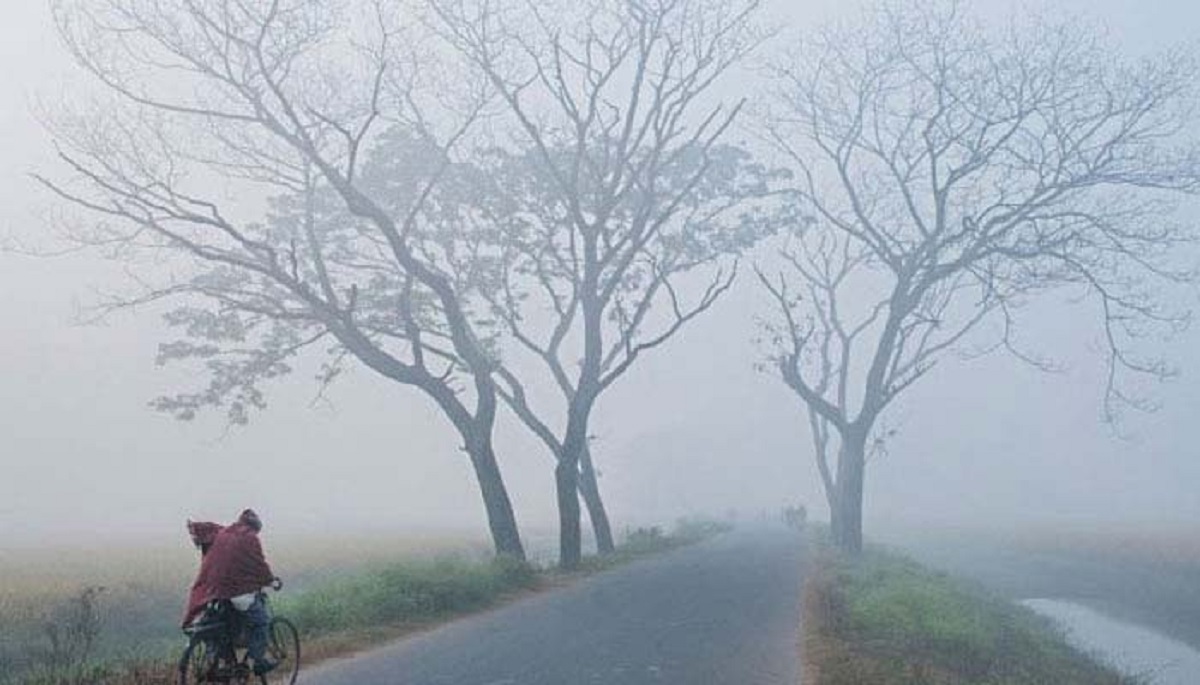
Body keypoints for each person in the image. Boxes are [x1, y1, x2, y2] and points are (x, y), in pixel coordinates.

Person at [183, 509, 282, 675]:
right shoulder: (250, 538)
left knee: (221, 626)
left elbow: (209, 531)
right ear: (254, 527)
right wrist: (271, 580)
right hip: (236, 591)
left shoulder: (224, 533)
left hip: (214, 591)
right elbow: (259, 564)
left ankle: (223, 663)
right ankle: (256, 662)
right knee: (261, 621)